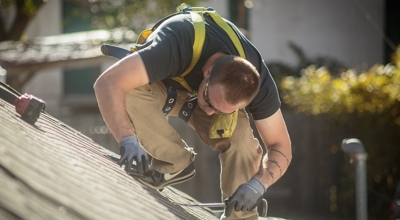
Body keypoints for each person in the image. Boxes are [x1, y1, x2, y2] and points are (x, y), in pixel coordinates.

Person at [94, 6, 292, 220]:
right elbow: (107, 82)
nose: (209, 112)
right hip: (159, 87)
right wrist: (127, 140)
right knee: (127, 89)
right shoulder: (176, 43)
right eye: (209, 101)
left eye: (220, 110)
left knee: (242, 140)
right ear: (208, 72)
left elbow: (281, 146)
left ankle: (240, 217)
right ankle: (174, 162)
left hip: (195, 91)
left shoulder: (259, 82)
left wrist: (258, 184)